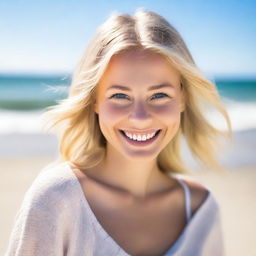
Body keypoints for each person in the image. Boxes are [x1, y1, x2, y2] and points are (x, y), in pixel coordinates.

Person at [5, 8, 231, 256]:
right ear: (95, 101)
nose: (140, 117)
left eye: (159, 95)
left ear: (182, 100)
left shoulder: (200, 210)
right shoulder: (56, 199)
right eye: (120, 96)